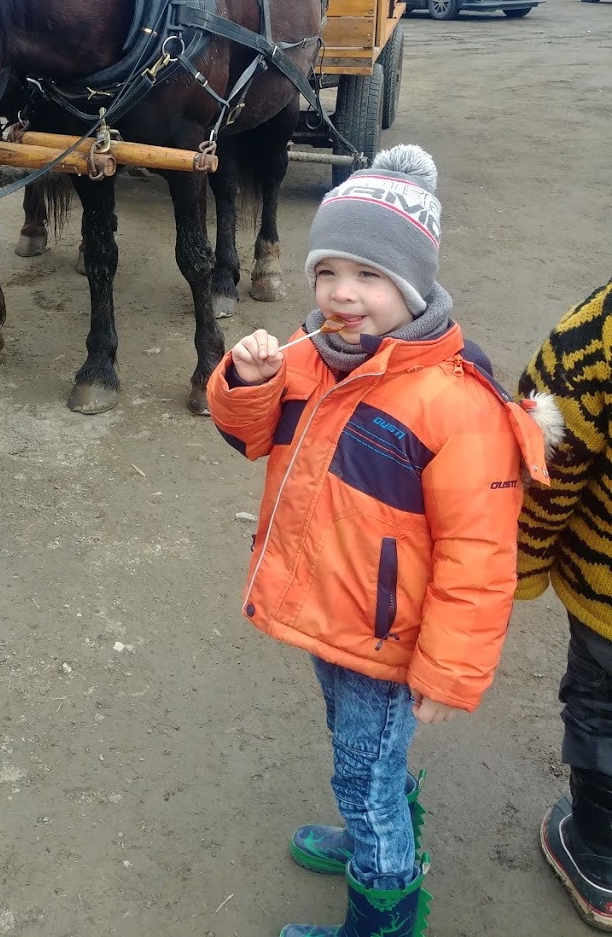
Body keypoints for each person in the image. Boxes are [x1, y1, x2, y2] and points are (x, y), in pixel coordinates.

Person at [207, 143, 560, 937]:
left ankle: (385, 908)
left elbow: (480, 555)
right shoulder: (312, 355)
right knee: (358, 750)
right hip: (332, 614)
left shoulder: (454, 402)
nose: (342, 294)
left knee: (362, 768)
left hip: (391, 636)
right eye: (328, 271)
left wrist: (447, 670)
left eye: (368, 276)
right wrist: (248, 380)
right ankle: (375, 827)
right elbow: (251, 435)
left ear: (412, 283)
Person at [516, 279, 612, 931]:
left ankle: (600, 861)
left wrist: (521, 566)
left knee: (600, 707)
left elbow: (551, 455)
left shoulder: (597, 330)